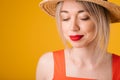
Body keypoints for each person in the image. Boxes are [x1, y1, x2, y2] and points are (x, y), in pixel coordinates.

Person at [36, 0, 120, 80]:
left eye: (84, 17)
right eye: (65, 18)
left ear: (101, 20)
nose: (73, 27)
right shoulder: (47, 63)